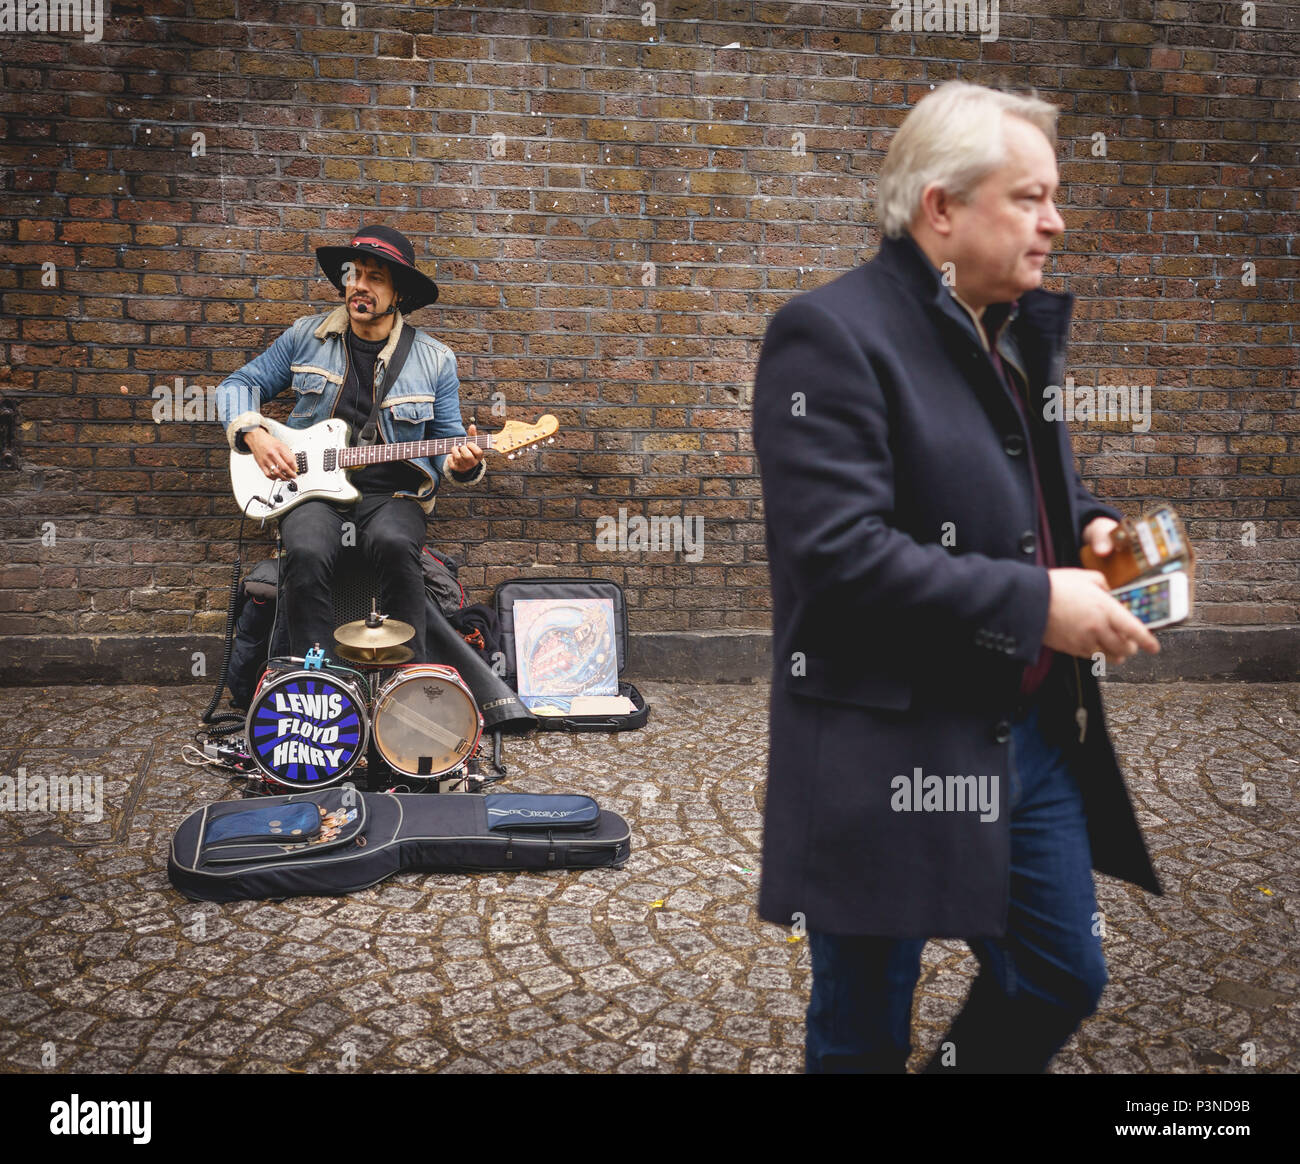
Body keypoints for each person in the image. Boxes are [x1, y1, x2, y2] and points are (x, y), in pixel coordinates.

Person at [751, 81, 1163, 1074]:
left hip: (1023, 731)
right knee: (861, 1031)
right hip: (881, 743)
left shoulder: (1011, 331)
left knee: (1062, 973)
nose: (1055, 223)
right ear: (940, 208)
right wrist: (1035, 604)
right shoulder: (828, 336)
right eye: (1028, 197)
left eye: (1052, 197)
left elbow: (1037, 490)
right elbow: (836, 557)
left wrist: (1092, 526)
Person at [215, 225, 485, 662]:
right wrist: (254, 433)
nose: (359, 285)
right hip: (310, 492)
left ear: (399, 294)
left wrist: (463, 464)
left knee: (397, 545)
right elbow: (237, 384)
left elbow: (444, 443)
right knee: (305, 549)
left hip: (391, 494)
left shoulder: (436, 360)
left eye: (375, 277)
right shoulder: (307, 336)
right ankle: (314, 673)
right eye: (354, 273)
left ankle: (405, 676)